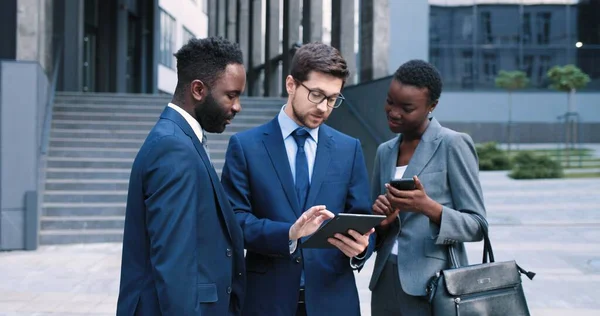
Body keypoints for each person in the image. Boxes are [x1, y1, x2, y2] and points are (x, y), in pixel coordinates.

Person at [220, 42, 374, 316]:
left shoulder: (348, 149)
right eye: (316, 94)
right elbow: (234, 222)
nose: (324, 107)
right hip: (267, 302)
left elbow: (362, 218)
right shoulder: (246, 146)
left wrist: (361, 248)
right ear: (291, 84)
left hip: (333, 302)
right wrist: (288, 235)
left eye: (333, 98)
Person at [116, 37, 247, 316]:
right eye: (231, 95)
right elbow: (174, 263)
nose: (237, 107)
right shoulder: (173, 147)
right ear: (198, 89)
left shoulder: (183, 140)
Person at [368, 59, 487, 315]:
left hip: (432, 285)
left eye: (407, 107)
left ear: (431, 106)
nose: (393, 112)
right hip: (385, 281)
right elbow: (375, 227)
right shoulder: (384, 151)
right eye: (390, 101)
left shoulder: (452, 144)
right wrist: (382, 221)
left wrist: (429, 208)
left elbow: (478, 225)